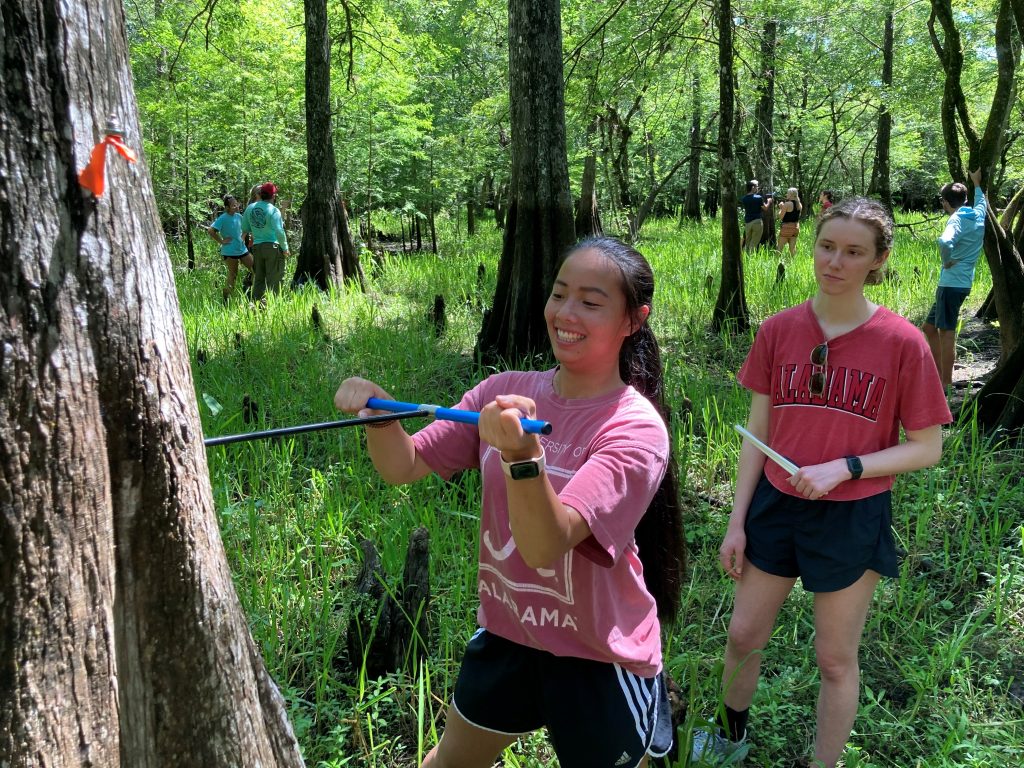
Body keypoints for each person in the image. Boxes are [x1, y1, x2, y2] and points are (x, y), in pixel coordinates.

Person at [335, 237, 685, 768]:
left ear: (634, 320)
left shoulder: (634, 429)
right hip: (510, 629)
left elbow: (546, 544)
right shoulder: (504, 389)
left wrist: (523, 455)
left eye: (591, 302)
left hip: (598, 653)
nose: (566, 314)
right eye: (559, 294)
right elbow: (402, 465)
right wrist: (380, 415)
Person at [691, 198, 951, 768]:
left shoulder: (902, 342)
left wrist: (847, 467)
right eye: (827, 246)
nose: (835, 262)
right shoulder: (779, 330)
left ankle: (822, 763)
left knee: (834, 658)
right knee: (742, 636)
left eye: (854, 252)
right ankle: (729, 737)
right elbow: (757, 429)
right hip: (776, 506)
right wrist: (736, 522)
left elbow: (927, 447)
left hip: (851, 514)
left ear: (877, 260)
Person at [921, 169, 986, 390]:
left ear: (945, 202)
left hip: (950, 283)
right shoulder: (977, 213)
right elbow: (981, 201)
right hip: (961, 284)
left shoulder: (956, 219)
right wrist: (977, 183)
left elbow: (945, 242)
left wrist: (947, 260)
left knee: (946, 332)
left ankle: (945, 383)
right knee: (929, 328)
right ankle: (938, 374)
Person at [241, 181, 290, 302]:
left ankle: (256, 306)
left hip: (257, 248)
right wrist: (285, 249)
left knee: (259, 279)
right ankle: (272, 306)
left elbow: (245, 228)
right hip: (273, 248)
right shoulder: (274, 210)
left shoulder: (250, 208)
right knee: (274, 279)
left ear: (261, 194)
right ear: (273, 196)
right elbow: (279, 231)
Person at [208, 194, 254, 303]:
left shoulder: (239, 216)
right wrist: (221, 241)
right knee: (233, 275)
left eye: (236, 204)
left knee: (255, 269)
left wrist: (243, 236)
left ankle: (251, 292)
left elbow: (246, 227)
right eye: (233, 205)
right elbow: (211, 230)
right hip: (229, 251)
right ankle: (226, 300)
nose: (236, 206)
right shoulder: (223, 218)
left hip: (242, 249)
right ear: (227, 207)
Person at [740, 180, 772, 253]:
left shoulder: (744, 199)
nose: (757, 188)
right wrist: (769, 201)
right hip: (757, 222)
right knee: (754, 242)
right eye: (757, 187)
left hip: (747, 222)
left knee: (747, 241)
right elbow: (765, 208)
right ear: (752, 187)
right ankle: (750, 259)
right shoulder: (758, 198)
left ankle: (745, 257)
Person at [776, 187, 802, 258]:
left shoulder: (787, 204)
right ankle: (794, 265)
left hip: (786, 228)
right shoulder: (799, 205)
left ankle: (775, 263)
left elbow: (780, 217)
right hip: (795, 227)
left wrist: (781, 208)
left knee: (779, 248)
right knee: (792, 249)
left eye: (787, 193)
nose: (786, 194)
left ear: (791, 194)